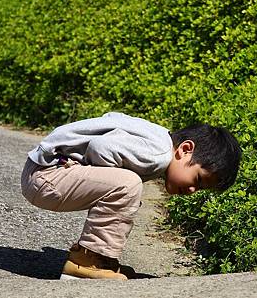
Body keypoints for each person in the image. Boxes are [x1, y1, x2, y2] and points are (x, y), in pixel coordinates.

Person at [21, 112, 241, 280]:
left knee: (126, 187)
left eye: (201, 189)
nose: (193, 190)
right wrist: (112, 183)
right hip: (47, 176)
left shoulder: (157, 138)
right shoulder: (158, 154)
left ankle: (101, 260)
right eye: (198, 180)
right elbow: (101, 146)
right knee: (127, 185)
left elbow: (112, 119)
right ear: (184, 149)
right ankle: (85, 263)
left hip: (44, 170)